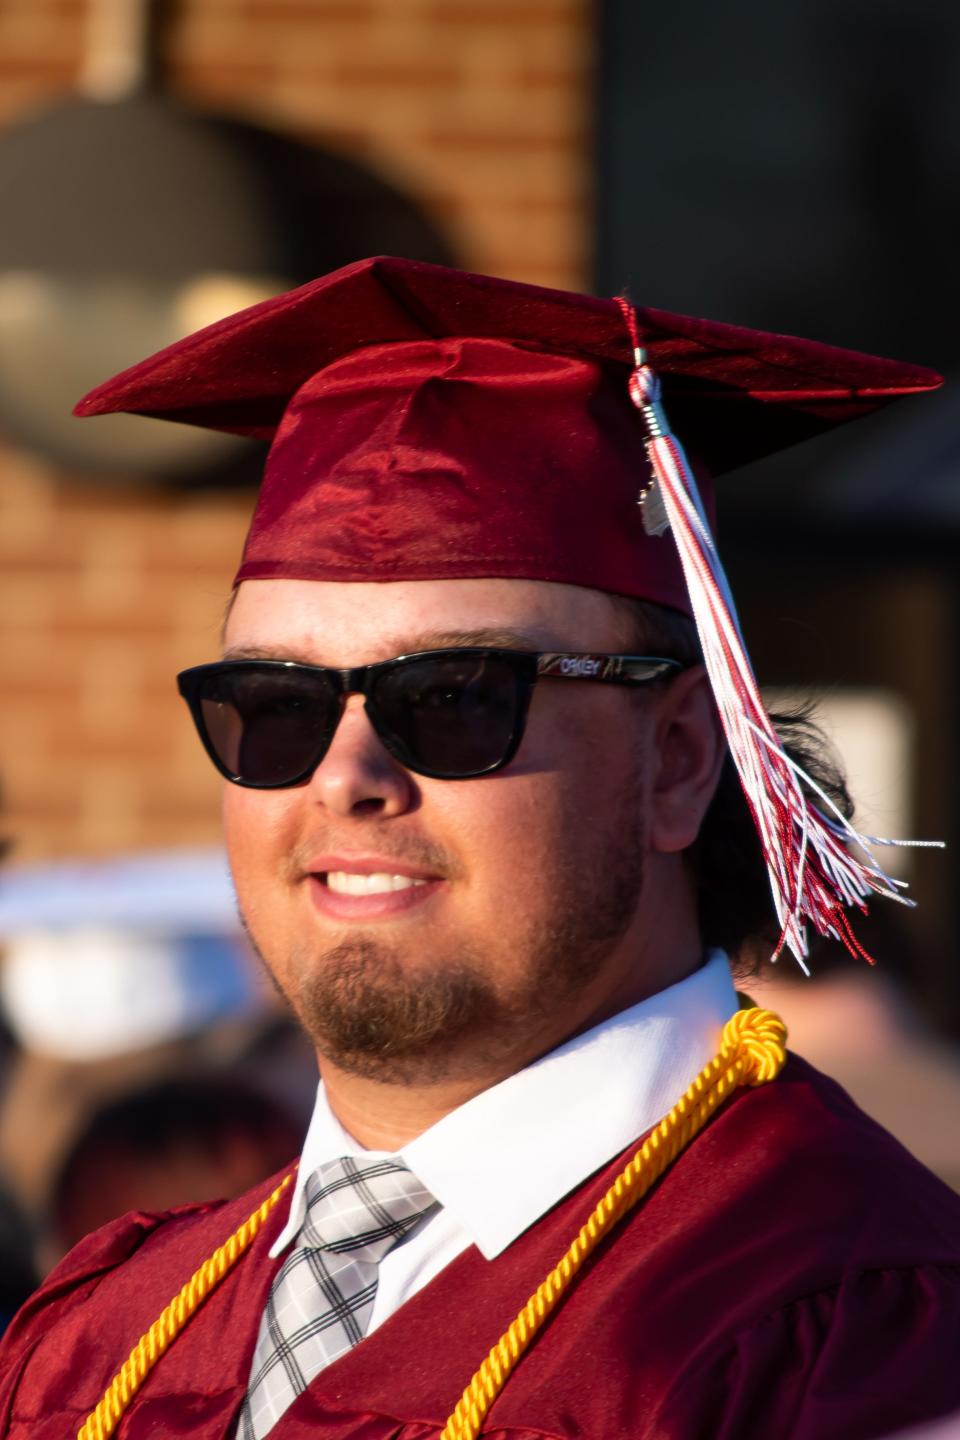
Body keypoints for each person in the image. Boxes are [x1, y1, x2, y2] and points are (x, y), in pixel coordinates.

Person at [2, 257, 959, 1440]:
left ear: (675, 763)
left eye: (454, 696)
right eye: (278, 704)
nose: (345, 778)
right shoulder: (100, 1339)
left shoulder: (853, 1329)